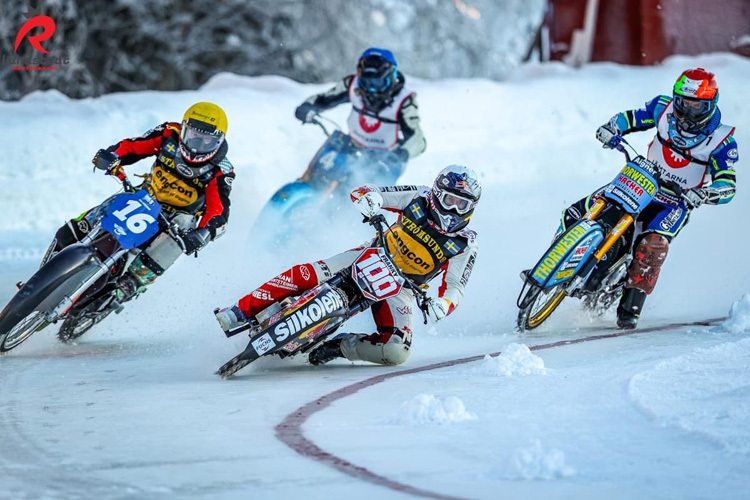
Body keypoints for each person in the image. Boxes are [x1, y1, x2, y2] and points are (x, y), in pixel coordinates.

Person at [215, 165, 480, 366]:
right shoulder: (418, 197)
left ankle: (340, 347)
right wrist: (371, 201)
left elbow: (456, 287)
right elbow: (368, 190)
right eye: (449, 201)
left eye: (462, 204)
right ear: (436, 195)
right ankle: (240, 311)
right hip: (371, 254)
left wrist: (442, 306)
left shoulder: (465, 243)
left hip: (402, 288)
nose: (454, 210)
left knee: (398, 351)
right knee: (307, 273)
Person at [561, 68, 738, 329]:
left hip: (677, 202)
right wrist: (612, 128)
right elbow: (631, 118)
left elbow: (728, 184)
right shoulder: (662, 108)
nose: (687, 113)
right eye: (683, 104)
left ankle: (631, 307)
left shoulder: (722, 141)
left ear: (711, 106)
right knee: (578, 211)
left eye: (696, 107)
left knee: (652, 245)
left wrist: (706, 193)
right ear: (675, 99)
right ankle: (552, 264)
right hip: (641, 180)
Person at [42, 102, 235, 301]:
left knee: (184, 227)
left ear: (219, 142)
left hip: (175, 220)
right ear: (184, 128)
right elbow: (133, 146)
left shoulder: (222, 170)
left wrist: (203, 232)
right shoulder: (169, 133)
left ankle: (133, 281)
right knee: (82, 224)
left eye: (207, 140)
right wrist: (113, 155)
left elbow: (218, 210)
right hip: (143, 198)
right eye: (194, 135)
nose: (198, 145)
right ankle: (48, 266)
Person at [294, 47, 426, 181]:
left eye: (377, 83)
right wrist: (308, 107)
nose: (371, 90)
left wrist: (401, 154)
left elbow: (418, 140)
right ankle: (307, 182)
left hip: (385, 159)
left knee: (368, 193)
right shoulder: (352, 85)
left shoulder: (404, 100)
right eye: (366, 82)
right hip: (352, 145)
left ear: (391, 77)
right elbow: (324, 99)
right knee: (322, 171)